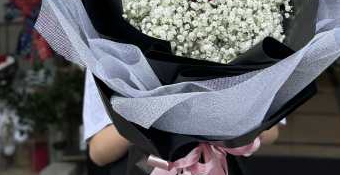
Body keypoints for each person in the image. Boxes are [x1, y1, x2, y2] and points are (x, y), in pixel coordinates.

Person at [83, 70, 280, 167]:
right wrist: (151, 112)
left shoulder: (243, 39)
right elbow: (99, 152)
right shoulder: (108, 54)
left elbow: (272, 132)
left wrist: (225, 107)